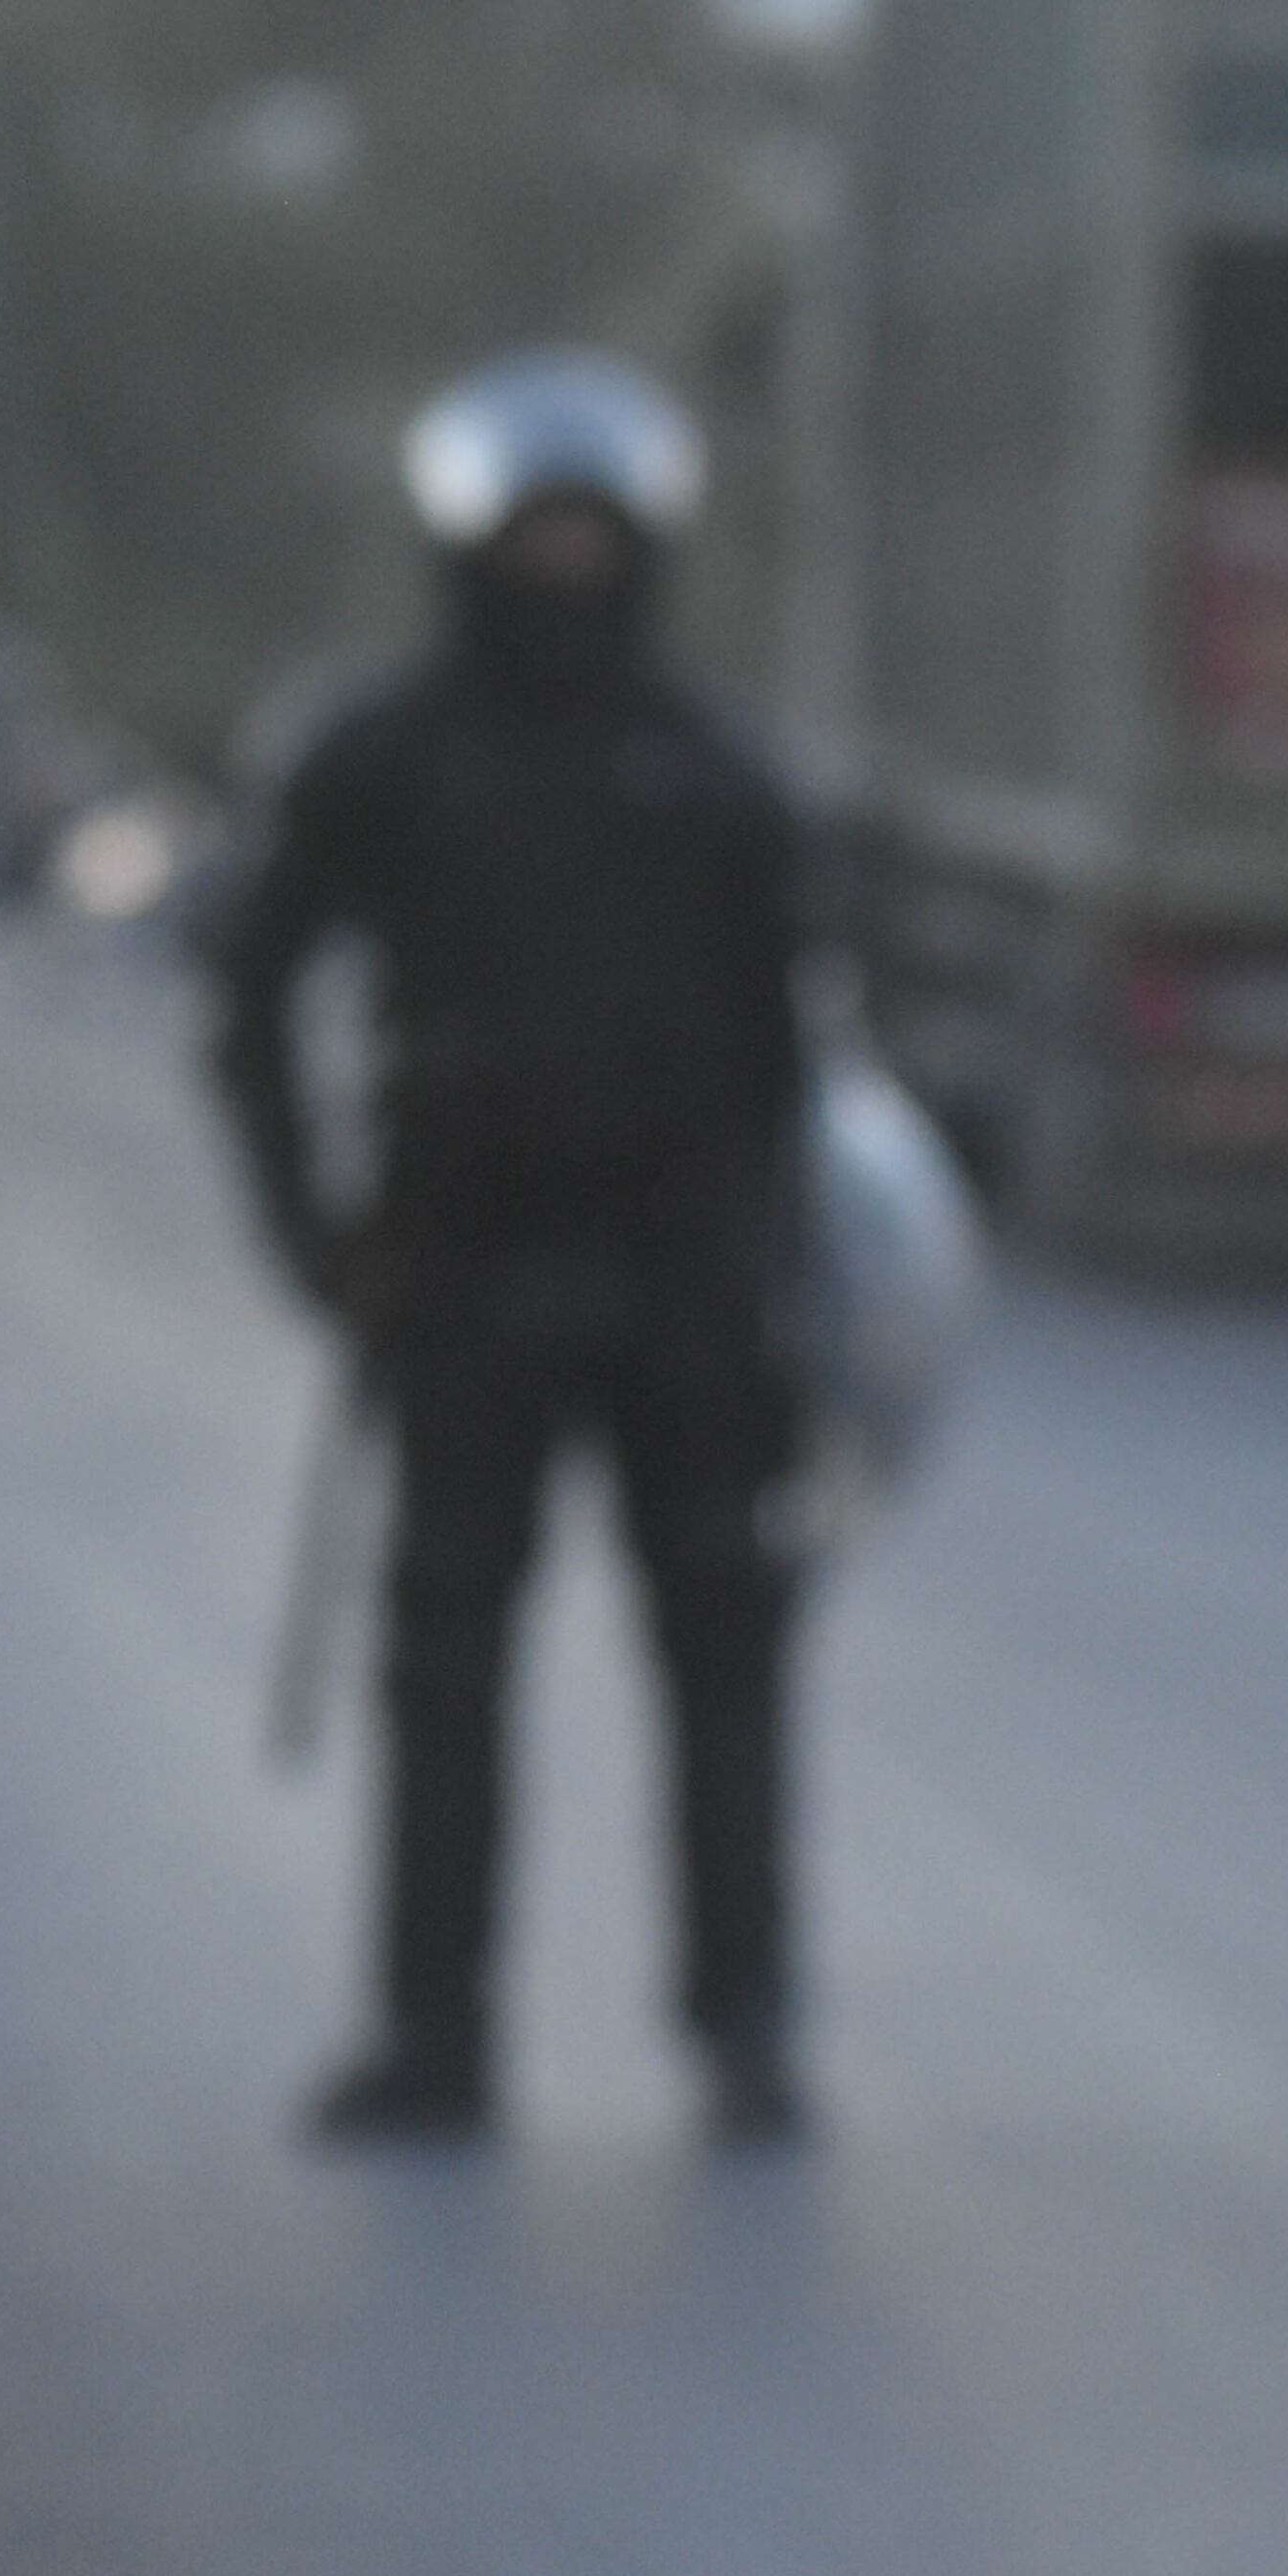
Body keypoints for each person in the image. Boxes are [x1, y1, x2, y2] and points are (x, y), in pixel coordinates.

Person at [205, 348, 811, 2144]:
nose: (564, 568)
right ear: (471, 542)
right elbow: (245, 998)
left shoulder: (718, 777)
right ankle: (436, 2037)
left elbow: (789, 1064)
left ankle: (747, 2024)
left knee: (724, 1648)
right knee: (446, 1665)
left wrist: (784, 1301)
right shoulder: (377, 758)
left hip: (687, 1292)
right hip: (460, 1278)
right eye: (532, 533)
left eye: (589, 532)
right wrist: (311, 1233)